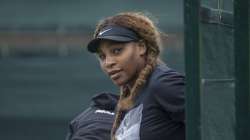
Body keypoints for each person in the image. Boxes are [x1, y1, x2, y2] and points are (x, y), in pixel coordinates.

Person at [87, 12, 185, 140]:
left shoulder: (163, 84)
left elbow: (214, 123)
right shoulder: (129, 99)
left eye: (117, 50)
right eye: (102, 56)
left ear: (141, 47)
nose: (108, 63)